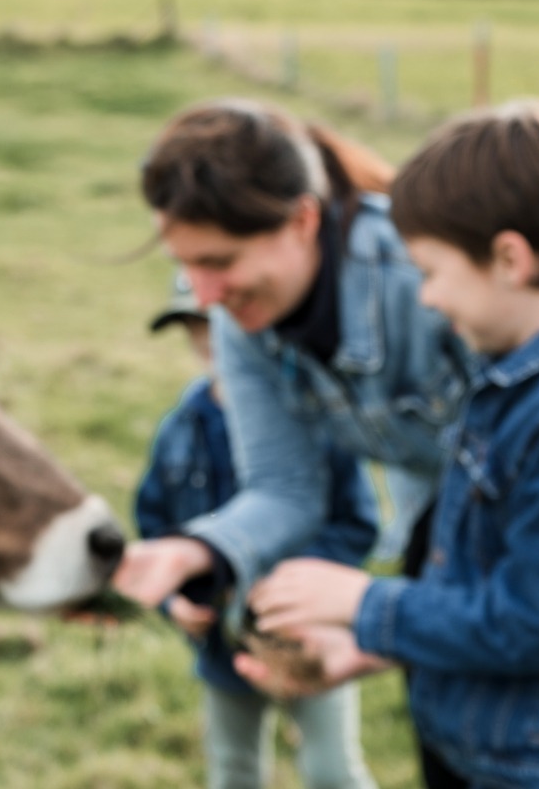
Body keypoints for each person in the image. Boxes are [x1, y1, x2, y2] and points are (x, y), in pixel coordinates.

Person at [240, 99, 539, 789]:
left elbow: (531, 623)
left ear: (510, 259)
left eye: (431, 272)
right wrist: (368, 643)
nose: (425, 299)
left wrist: (366, 605)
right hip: (503, 751)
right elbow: (488, 584)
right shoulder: (523, 379)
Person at [112, 97, 477, 789]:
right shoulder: (238, 319)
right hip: (439, 525)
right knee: (457, 746)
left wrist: (389, 618)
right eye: (188, 267)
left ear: (303, 220)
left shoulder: (420, 279)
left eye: (220, 262)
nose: (207, 294)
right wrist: (195, 549)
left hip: (534, 516)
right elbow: (285, 487)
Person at [136, 270, 380, 789]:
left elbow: (357, 523)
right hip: (222, 652)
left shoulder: (313, 419)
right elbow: (156, 530)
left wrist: (300, 589)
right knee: (234, 772)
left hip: (306, 640)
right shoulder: (179, 430)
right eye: (193, 328)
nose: (207, 340)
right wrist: (175, 603)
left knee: (331, 770)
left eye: (214, 324)